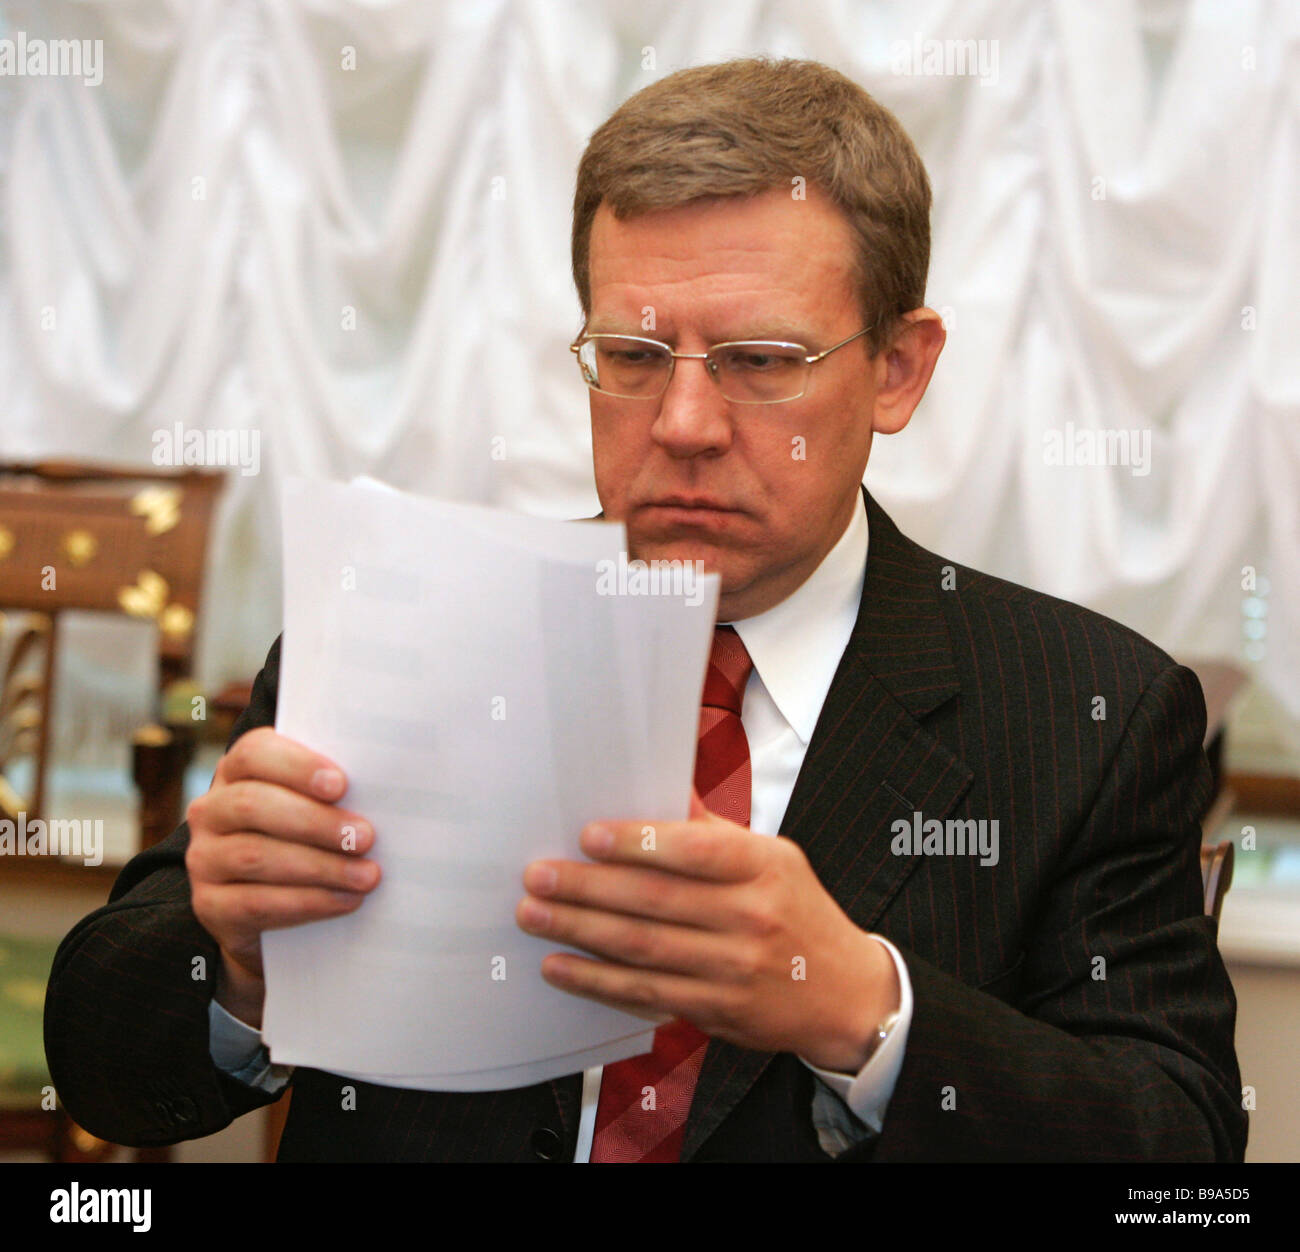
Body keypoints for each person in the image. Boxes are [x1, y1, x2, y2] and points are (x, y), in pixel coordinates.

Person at [45, 57, 1246, 1162]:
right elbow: (103, 1071)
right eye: (630, 355)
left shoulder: (1086, 712)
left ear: (897, 368)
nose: (680, 425)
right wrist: (241, 965)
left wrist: (862, 1011)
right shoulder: (407, 633)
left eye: (761, 359)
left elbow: (1178, 1153)